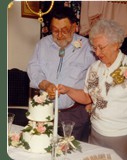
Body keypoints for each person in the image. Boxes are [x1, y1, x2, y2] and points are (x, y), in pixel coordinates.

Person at [58, 20, 127, 160]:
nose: (97, 53)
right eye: (94, 48)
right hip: (96, 132)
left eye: (101, 47)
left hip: (123, 136)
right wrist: (68, 90)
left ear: (116, 44)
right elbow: (87, 97)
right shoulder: (94, 68)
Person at [27, 7, 96, 142]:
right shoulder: (43, 44)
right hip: (45, 112)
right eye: (55, 30)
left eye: (64, 30)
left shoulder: (88, 48)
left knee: (73, 153)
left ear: (74, 27)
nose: (59, 35)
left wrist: (92, 101)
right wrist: (45, 84)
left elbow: (98, 77)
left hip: (75, 114)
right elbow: (33, 68)